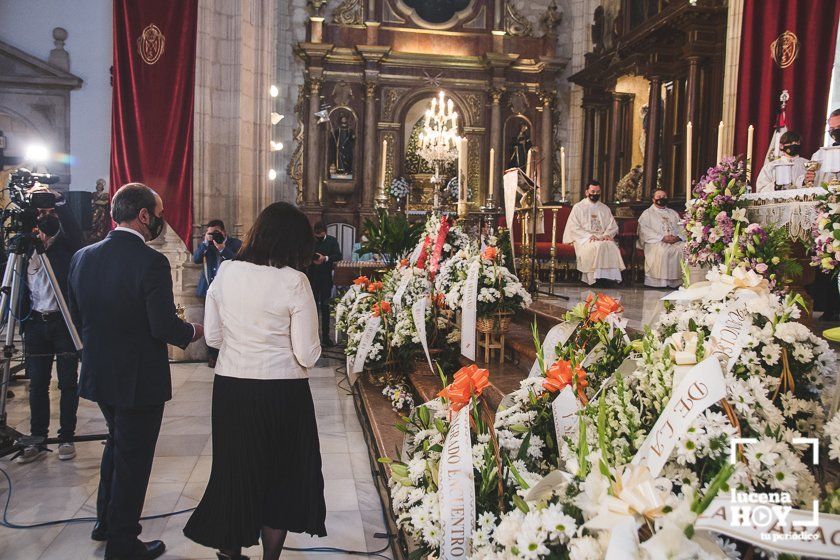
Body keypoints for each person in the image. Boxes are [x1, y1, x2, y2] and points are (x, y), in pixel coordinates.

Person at [183, 202, 325, 560]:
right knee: (280, 476)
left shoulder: (227, 271)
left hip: (232, 388)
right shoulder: (294, 280)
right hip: (281, 393)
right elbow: (307, 354)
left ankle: (229, 553)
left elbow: (213, 338)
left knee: (235, 472)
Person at [68, 183, 203, 560]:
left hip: (99, 373)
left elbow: (78, 315)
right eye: (158, 213)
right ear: (144, 215)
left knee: (117, 444)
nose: (160, 220)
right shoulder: (150, 262)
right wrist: (193, 331)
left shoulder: (82, 256)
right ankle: (123, 543)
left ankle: (105, 522)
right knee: (134, 460)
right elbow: (162, 327)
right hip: (138, 379)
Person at [16, 189, 84, 464]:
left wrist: (61, 204)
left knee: (68, 383)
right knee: (37, 385)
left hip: (62, 321)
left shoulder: (66, 245)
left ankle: (66, 437)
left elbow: (79, 237)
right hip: (35, 322)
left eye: (49, 214)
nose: (45, 219)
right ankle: (38, 438)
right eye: (40, 213)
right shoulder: (26, 245)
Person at [193, 220, 242, 367]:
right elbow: (196, 259)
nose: (214, 235)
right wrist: (205, 243)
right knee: (211, 322)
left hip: (229, 290)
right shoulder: (207, 245)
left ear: (224, 232)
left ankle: (228, 354)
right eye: (210, 233)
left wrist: (222, 248)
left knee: (229, 322)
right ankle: (212, 356)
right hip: (209, 289)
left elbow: (238, 262)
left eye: (216, 233)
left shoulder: (235, 244)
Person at [807, 109, 840, 321]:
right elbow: (813, 182)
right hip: (828, 215)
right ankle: (828, 307)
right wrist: (808, 177)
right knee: (828, 259)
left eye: (838, 128)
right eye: (832, 129)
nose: (834, 132)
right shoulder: (820, 154)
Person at [562, 180, 625, 285]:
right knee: (598, 246)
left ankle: (609, 278)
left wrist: (607, 235)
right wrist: (588, 236)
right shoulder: (579, 207)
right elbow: (573, 226)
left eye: (597, 192)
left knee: (611, 246)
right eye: (593, 191)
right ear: (587, 192)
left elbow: (612, 225)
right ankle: (595, 278)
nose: (595, 194)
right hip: (584, 238)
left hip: (601, 237)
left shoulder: (604, 208)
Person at [637, 189, 684, 288]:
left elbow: (681, 227)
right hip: (655, 241)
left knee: (682, 248)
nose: (661, 199)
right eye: (659, 197)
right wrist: (662, 238)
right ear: (653, 199)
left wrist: (678, 237)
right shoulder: (647, 214)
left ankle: (677, 282)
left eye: (664, 197)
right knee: (663, 251)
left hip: (674, 241)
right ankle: (659, 282)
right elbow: (644, 230)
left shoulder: (673, 213)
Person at [307, 222, 342, 346]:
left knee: (325, 307)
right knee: (312, 308)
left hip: (325, 278)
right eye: (316, 235)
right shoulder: (310, 241)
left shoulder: (332, 241)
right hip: (311, 277)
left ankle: (326, 337)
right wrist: (312, 259)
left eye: (320, 235)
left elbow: (338, 256)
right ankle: (312, 337)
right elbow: (304, 255)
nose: (318, 237)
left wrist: (325, 258)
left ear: (325, 232)